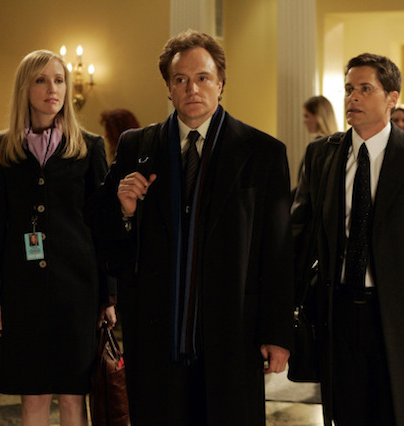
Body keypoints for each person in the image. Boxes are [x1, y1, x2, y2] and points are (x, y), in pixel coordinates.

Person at [88, 30, 294, 424]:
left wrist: (278, 333)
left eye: (202, 78)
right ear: (168, 88)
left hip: (233, 331)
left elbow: (278, 252)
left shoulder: (263, 153)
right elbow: (102, 232)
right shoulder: (136, 146)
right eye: (180, 79)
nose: (192, 89)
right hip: (156, 334)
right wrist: (124, 212)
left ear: (221, 83)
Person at [291, 53, 404, 425]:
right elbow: (297, 237)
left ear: (392, 98)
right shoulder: (321, 155)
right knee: (348, 414)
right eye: (348, 89)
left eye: (365, 89)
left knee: (400, 414)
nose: (352, 97)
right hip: (339, 313)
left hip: (403, 317)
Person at [0, 50, 116, 426]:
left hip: (77, 291)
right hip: (22, 292)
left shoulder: (89, 146)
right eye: (41, 80)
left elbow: (103, 228)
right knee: (34, 399)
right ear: (25, 88)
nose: (52, 88)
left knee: (74, 399)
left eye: (58, 80)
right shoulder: (4, 147)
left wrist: (108, 295)